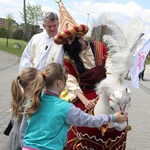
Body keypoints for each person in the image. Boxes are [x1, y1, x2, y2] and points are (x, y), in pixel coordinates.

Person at [54, 1, 128, 149]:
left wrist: (109, 87)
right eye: (66, 41)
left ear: (79, 35)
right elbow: (71, 82)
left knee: (121, 111)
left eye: (71, 38)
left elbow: (110, 68)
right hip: (85, 94)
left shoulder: (99, 47)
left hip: (106, 89)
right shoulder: (68, 59)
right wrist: (84, 100)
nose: (69, 43)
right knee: (80, 119)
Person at [22, 63, 127, 150]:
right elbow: (90, 120)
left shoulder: (32, 102)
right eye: (65, 82)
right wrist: (112, 117)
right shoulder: (65, 108)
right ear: (59, 83)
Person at [4, 67, 39, 150]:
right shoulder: (30, 102)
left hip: (12, 139)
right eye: (40, 81)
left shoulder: (19, 96)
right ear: (31, 83)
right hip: (21, 142)